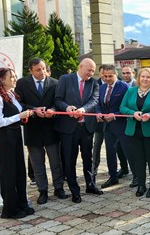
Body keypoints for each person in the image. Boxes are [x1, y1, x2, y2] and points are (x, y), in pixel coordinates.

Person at [15, 58, 68, 205]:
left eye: (44, 68)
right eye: (38, 69)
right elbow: (18, 103)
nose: (42, 72)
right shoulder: (22, 84)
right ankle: (42, 191)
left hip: (51, 128)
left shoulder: (55, 83)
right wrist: (33, 110)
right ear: (30, 71)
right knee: (37, 163)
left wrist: (53, 110)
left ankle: (59, 188)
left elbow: (59, 102)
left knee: (55, 162)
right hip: (32, 129)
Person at [0, 68, 34, 219]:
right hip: (5, 138)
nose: (15, 79)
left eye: (14, 76)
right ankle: (10, 209)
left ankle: (21, 204)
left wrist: (32, 111)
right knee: (8, 173)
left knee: (20, 171)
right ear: (1, 80)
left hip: (15, 136)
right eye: (11, 77)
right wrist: (18, 116)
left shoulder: (11, 95)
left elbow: (21, 110)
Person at [54, 58, 102, 204]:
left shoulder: (93, 83)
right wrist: (67, 107)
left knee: (88, 158)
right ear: (81, 67)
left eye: (93, 71)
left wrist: (83, 109)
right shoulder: (65, 79)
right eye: (89, 70)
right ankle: (75, 191)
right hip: (68, 128)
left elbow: (94, 100)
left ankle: (90, 185)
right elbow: (58, 99)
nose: (91, 73)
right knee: (69, 160)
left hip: (86, 127)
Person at [120, 68, 150, 198]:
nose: (145, 79)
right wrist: (132, 113)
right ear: (138, 78)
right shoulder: (130, 91)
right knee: (138, 159)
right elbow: (122, 107)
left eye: (148, 77)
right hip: (134, 130)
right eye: (143, 76)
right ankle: (141, 185)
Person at [95, 64, 138, 189]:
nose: (107, 78)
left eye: (110, 76)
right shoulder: (102, 87)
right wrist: (98, 113)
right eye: (105, 76)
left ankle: (136, 176)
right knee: (110, 152)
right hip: (107, 126)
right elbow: (98, 103)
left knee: (128, 151)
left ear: (116, 75)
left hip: (122, 125)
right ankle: (113, 177)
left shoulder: (124, 87)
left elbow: (128, 107)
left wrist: (115, 115)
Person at [117, 65, 136, 178]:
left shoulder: (137, 84)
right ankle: (124, 168)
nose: (125, 75)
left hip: (134, 121)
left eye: (128, 73)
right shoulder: (119, 85)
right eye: (123, 73)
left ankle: (136, 172)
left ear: (133, 73)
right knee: (119, 147)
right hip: (120, 121)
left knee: (131, 148)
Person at [90, 65, 105, 183]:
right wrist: (98, 113)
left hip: (113, 121)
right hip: (98, 122)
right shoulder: (94, 84)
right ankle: (94, 167)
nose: (106, 76)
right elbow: (94, 102)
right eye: (103, 74)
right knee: (97, 145)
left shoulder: (117, 83)